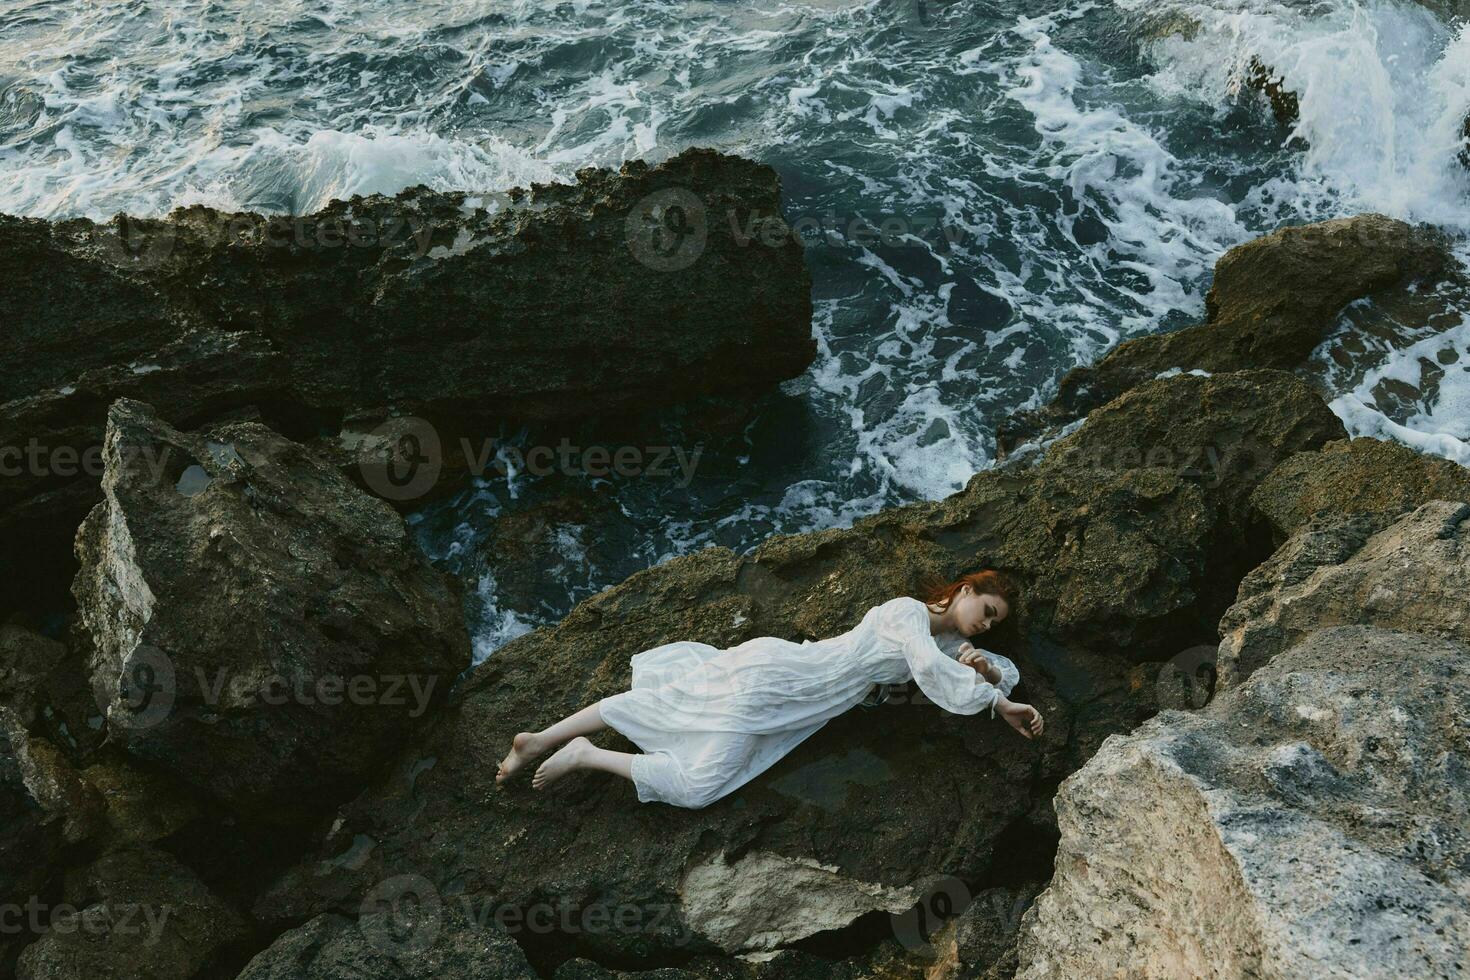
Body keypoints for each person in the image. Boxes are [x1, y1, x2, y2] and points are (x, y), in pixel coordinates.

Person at [495, 570, 1043, 809]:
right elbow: (924, 664)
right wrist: (991, 695)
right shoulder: (908, 615)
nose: (985, 625)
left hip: (796, 707)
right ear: (966, 590)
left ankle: (579, 751)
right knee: (682, 748)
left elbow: (996, 670)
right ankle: (545, 741)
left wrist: (995, 684)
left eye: (994, 623)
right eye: (986, 610)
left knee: (686, 762)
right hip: (779, 680)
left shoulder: (954, 650)